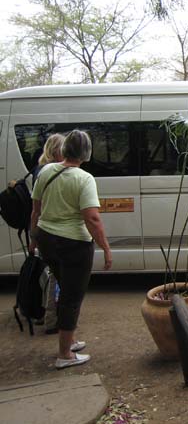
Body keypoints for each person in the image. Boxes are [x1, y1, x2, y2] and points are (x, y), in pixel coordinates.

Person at [29, 130, 112, 369]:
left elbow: (36, 210)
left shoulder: (46, 171)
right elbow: (92, 218)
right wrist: (106, 248)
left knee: (65, 288)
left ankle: (70, 340)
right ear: (86, 152)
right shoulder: (84, 179)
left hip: (47, 239)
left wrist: (33, 239)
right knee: (71, 297)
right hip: (73, 244)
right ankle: (64, 354)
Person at [33, 133, 66, 335]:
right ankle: (51, 319)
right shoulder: (49, 171)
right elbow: (40, 207)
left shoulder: (40, 169)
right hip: (52, 231)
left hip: (44, 231)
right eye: (63, 149)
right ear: (55, 151)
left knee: (49, 274)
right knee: (55, 277)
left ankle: (44, 313)